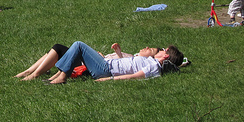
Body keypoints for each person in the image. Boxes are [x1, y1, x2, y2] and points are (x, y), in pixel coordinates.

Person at [47, 41, 185, 84]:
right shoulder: (150, 61)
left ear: (166, 56)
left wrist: (109, 79)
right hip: (107, 65)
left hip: (106, 69)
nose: (160, 50)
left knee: (79, 45)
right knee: (77, 48)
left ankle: (62, 77)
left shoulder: (154, 66)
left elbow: (134, 76)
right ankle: (56, 77)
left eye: (163, 50)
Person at [14, 42, 151, 81]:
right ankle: (29, 71)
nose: (146, 48)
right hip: (96, 62)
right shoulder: (134, 57)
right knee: (57, 48)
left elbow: (123, 69)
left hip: (93, 66)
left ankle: (35, 74)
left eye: (150, 50)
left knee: (62, 48)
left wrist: (119, 54)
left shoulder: (135, 60)